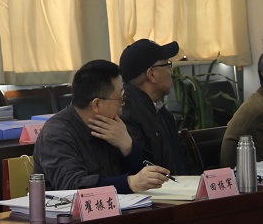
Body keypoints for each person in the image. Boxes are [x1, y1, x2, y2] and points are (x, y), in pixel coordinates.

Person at [33, 59, 170, 192]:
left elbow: (146, 176)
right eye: (120, 98)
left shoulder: (113, 125)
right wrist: (129, 183)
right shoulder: (56, 134)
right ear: (97, 104)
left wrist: (128, 146)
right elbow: (72, 186)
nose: (123, 103)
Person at [119, 39, 189, 176]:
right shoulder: (129, 115)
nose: (171, 71)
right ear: (151, 75)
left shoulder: (159, 111)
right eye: (168, 65)